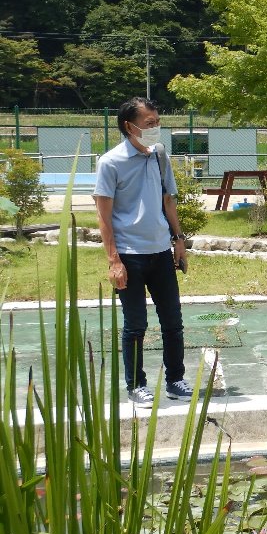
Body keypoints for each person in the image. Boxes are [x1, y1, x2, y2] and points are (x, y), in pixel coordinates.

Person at [94, 97, 193, 405]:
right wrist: (114, 260)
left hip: (161, 252)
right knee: (136, 324)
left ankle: (175, 380)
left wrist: (179, 241)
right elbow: (103, 216)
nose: (156, 128)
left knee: (173, 322)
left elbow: (168, 201)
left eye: (157, 122)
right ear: (130, 126)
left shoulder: (159, 155)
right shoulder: (110, 162)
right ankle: (136, 385)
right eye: (149, 124)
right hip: (129, 255)